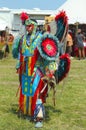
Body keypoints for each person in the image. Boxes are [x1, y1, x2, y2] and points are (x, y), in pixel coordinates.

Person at [12, 11, 71, 128]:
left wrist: (51, 70)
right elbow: (20, 53)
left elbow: (50, 56)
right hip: (25, 71)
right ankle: (27, 111)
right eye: (26, 26)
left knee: (37, 93)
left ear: (34, 26)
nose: (27, 28)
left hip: (37, 71)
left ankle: (38, 117)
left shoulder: (41, 39)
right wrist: (19, 65)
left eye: (30, 26)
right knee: (26, 91)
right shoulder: (23, 39)